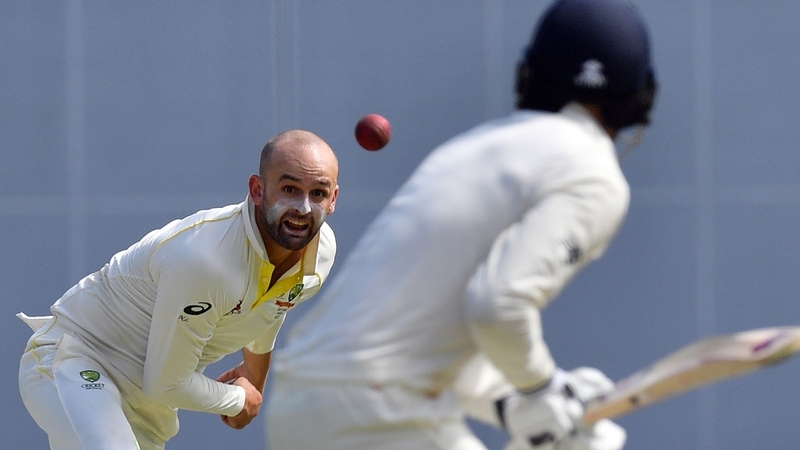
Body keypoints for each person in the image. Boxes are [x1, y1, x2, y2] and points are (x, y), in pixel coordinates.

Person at [264, 1, 657, 449]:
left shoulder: (473, 150)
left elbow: (427, 330)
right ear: (637, 97)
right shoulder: (594, 172)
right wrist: (542, 388)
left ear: (529, 74)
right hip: (381, 412)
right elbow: (497, 307)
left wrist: (516, 402)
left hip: (305, 404)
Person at [17, 129, 340, 450]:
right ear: (257, 190)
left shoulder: (321, 253)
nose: (303, 208)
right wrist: (239, 399)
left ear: (333, 199)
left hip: (150, 403)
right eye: (289, 189)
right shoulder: (205, 260)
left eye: (318, 194)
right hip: (78, 359)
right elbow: (167, 383)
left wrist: (255, 383)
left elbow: (270, 310)